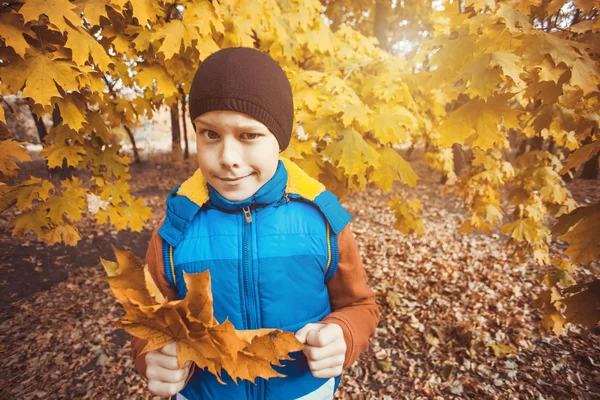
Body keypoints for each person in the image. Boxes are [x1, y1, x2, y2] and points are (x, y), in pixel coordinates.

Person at [131, 47, 380, 400]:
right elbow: (148, 321)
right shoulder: (175, 232)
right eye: (210, 135)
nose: (228, 158)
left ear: (279, 139)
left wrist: (344, 333)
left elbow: (361, 306)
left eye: (248, 135)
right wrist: (150, 354)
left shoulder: (322, 224)